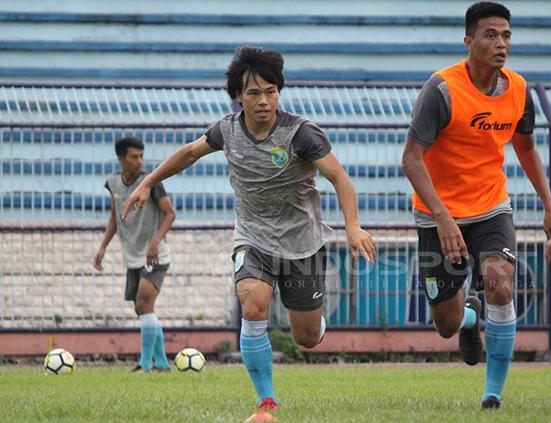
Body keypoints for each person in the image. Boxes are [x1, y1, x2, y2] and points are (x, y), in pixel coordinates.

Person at [121, 46, 375, 421]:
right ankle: (267, 402)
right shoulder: (227, 130)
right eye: (253, 93)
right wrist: (148, 183)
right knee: (253, 305)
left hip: (302, 243)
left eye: (270, 91)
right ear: (238, 97)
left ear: (279, 92)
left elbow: (339, 178)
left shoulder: (300, 133)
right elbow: (190, 152)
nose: (263, 100)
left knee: (306, 338)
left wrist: (352, 226)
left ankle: (315, 324)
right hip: (252, 238)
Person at [401, 2, 551, 410]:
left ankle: (493, 394)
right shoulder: (441, 89)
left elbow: (525, 148)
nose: (501, 43)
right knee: (446, 324)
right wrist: (442, 218)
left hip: (491, 207)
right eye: (491, 35)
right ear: (469, 41)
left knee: (500, 282)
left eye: (506, 35)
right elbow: (411, 159)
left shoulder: (520, 89)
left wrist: (549, 205)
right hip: (437, 214)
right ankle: (470, 317)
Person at [94, 136, 175, 372]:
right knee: (141, 308)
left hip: (155, 255)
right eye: (134, 157)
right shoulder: (113, 183)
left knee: (144, 302)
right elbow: (115, 216)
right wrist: (103, 246)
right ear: (121, 159)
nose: (139, 161)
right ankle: (162, 364)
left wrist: (155, 242)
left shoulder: (151, 182)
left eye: (141, 156)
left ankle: (144, 365)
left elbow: (170, 214)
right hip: (132, 256)